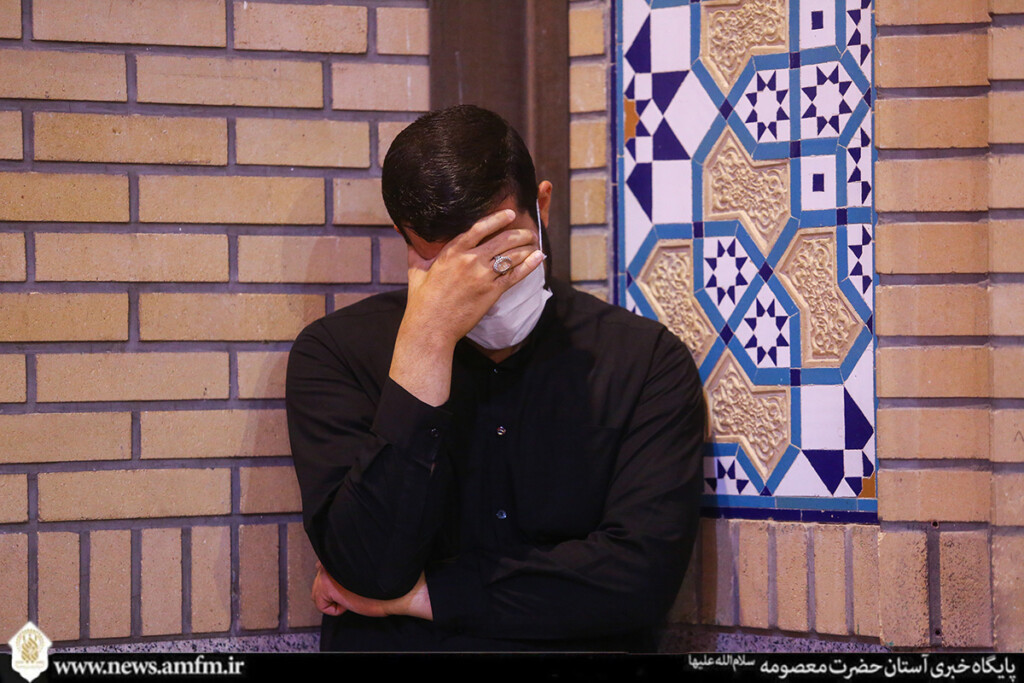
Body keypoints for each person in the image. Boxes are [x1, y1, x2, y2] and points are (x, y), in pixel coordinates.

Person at [285, 104, 705, 652]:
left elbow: (638, 580)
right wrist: (426, 344)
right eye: (449, 265)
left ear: (542, 207)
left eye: (500, 250)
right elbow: (367, 566)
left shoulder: (644, 361)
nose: (481, 280)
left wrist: (423, 597)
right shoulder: (335, 354)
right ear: (406, 240)